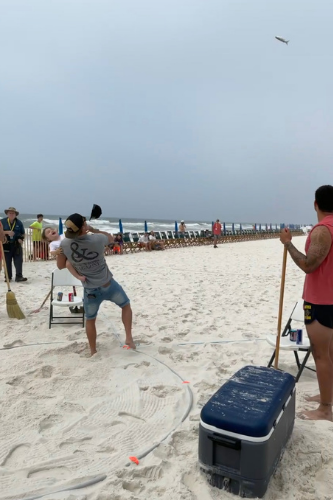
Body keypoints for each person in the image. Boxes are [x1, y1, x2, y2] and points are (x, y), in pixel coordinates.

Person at [280, 185, 333, 421]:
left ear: (315, 204)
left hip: (321, 300)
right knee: (330, 352)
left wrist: (288, 244)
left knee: (321, 355)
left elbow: (309, 265)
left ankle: (325, 408)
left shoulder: (323, 230)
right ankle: (328, 396)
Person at [57, 213, 135, 355]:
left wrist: (64, 254)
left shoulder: (65, 244)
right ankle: (129, 338)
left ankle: (93, 350)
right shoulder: (96, 239)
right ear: (83, 227)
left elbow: (61, 265)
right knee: (125, 306)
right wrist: (94, 230)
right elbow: (111, 239)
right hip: (108, 284)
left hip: (90, 290)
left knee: (90, 320)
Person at [1, 207, 27, 282]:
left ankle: (19, 277)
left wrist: (21, 239)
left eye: (13, 213)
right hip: (6, 244)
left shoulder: (19, 222)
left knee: (18, 261)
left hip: (16, 245)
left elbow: (23, 233)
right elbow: (0, 232)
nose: (11, 214)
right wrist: (7, 232)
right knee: (7, 261)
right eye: (10, 213)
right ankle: (8, 277)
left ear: (15, 214)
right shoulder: (2, 222)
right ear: (7, 214)